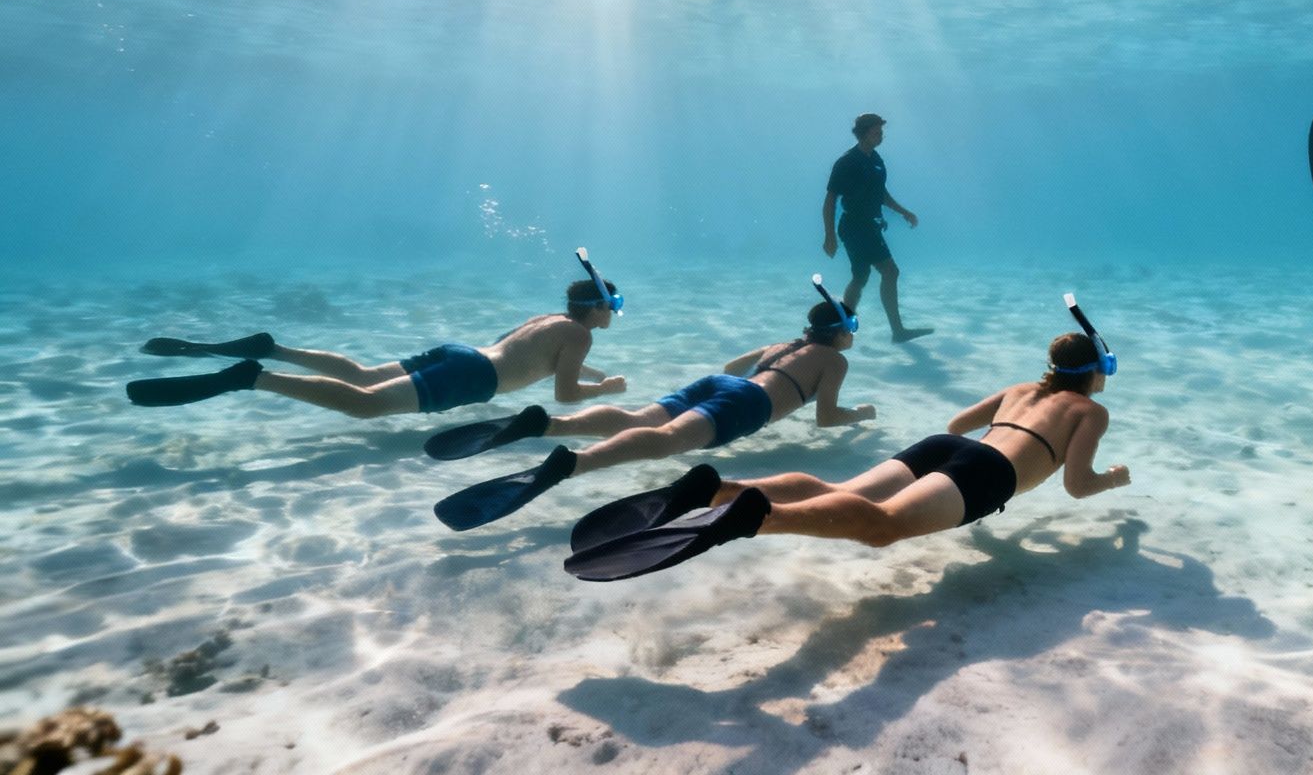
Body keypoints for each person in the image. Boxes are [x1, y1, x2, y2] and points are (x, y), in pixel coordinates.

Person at [563, 297, 1131, 582]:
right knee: (881, 528)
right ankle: (750, 517)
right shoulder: (1090, 411)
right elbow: (1078, 487)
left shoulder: (1018, 389)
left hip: (947, 449)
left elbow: (960, 425)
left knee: (836, 489)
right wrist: (1113, 480)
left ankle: (718, 488)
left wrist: (1002, 440)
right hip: (986, 474)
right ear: (1098, 367)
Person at [429, 281, 873, 531]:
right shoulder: (833, 360)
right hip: (747, 402)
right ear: (840, 331)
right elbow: (826, 417)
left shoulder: (784, 344)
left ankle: (549, 425)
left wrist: (756, 384)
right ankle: (572, 464)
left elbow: (733, 365)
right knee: (666, 442)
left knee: (639, 419)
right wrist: (859, 416)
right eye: (852, 327)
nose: (853, 335)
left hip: (720, 384)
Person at [125, 250, 630, 417]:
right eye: (616, 305)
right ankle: (254, 376)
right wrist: (602, 389)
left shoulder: (550, 321)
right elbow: (564, 395)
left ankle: (273, 347)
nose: (616, 313)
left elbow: (532, 355)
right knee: (364, 404)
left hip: (463, 355)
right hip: (474, 379)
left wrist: (587, 368)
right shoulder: (581, 336)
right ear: (600, 307)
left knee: (363, 375)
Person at [823, 112, 933, 343]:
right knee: (886, 272)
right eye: (876, 132)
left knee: (861, 277)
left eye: (881, 132)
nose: (881, 136)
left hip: (869, 226)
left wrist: (904, 212)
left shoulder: (876, 160)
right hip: (854, 227)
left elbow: (881, 193)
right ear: (863, 134)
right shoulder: (847, 162)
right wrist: (829, 236)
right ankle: (893, 331)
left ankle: (843, 329)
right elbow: (831, 198)